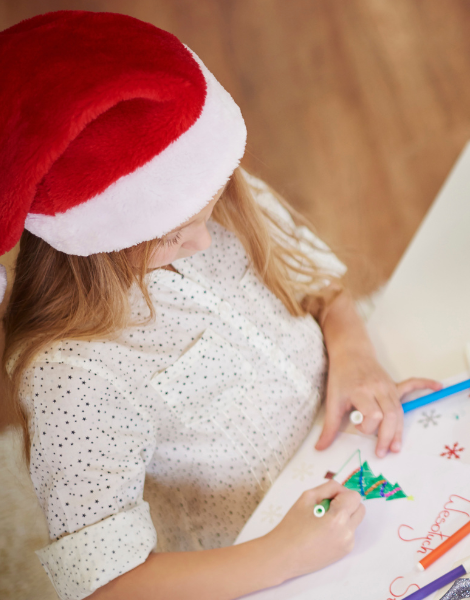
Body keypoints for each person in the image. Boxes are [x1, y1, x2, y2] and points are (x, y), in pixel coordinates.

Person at [0, 11, 437, 599]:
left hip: (351, 473)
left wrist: (354, 351)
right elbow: (103, 584)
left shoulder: (220, 193)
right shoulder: (72, 377)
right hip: (247, 564)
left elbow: (320, 287)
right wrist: (282, 557)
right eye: (177, 233)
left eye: (206, 214)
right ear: (95, 234)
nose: (205, 242)